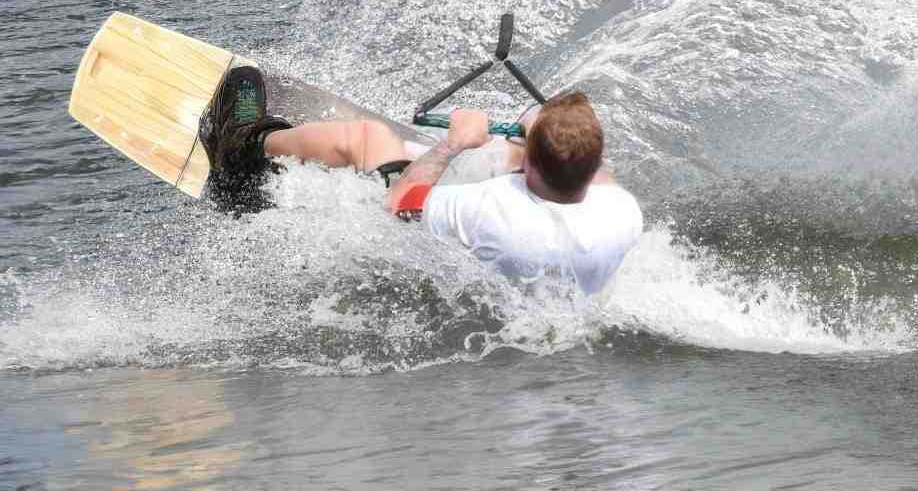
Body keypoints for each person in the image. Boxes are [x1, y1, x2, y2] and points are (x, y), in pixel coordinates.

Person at [199, 74, 643, 296]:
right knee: (501, 156)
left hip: (410, 245)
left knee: (367, 138)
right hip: (528, 276)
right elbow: (590, 170)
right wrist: (535, 138)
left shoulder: (488, 209)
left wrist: (454, 143)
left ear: (531, 168)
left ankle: (239, 150)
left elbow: (401, 204)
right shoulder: (622, 215)